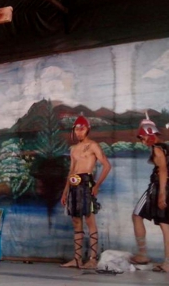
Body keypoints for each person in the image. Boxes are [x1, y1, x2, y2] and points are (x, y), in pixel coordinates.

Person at [60, 115, 112, 269]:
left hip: (86, 183)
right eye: (76, 129)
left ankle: (92, 259)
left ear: (87, 129)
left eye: (81, 129)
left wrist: (96, 185)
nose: (79, 132)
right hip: (74, 184)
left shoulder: (93, 146)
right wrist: (65, 192)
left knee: (89, 220)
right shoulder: (74, 149)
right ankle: (77, 259)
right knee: (76, 221)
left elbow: (107, 166)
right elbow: (71, 171)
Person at [130, 115, 169, 273]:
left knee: (137, 215)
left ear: (150, 135)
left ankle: (143, 254)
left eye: (143, 136)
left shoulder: (157, 149)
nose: (142, 140)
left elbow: (163, 170)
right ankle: (167, 263)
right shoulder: (167, 148)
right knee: (165, 224)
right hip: (168, 186)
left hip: (158, 187)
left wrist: (161, 194)